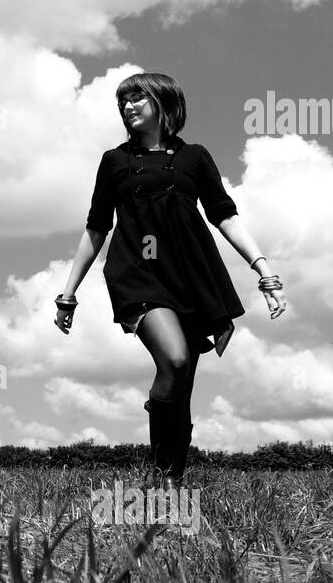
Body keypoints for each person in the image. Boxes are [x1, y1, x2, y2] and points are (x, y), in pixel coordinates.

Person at [52, 72, 286, 488]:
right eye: (123, 101)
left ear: (164, 103)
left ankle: (169, 482)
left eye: (137, 98)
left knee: (182, 386)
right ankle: (161, 468)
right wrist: (68, 293)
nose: (128, 106)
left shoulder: (195, 157)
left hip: (192, 276)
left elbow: (224, 216)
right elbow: (96, 227)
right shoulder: (114, 161)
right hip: (137, 273)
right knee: (175, 359)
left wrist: (263, 269)